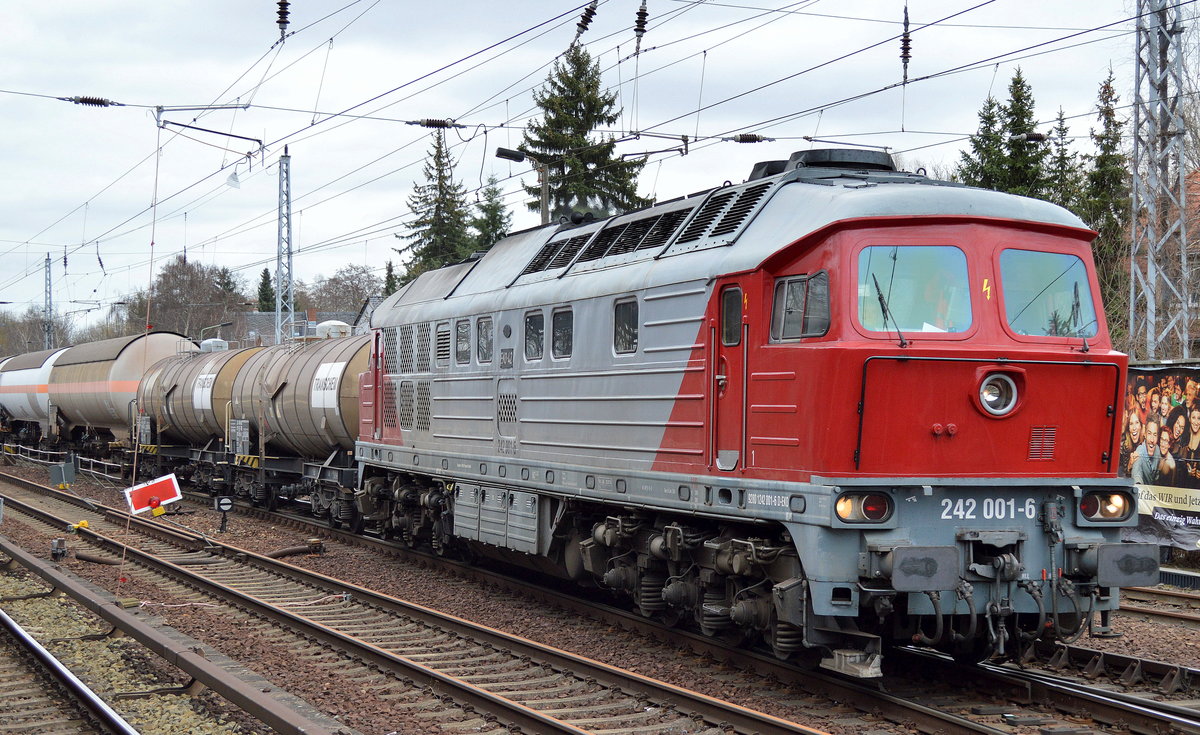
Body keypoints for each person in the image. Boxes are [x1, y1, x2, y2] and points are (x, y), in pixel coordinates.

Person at [1132, 417, 1160, 485]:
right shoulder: (1139, 452)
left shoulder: (1157, 450)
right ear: (1145, 434)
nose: (1152, 440)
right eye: (1149, 433)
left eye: (1155, 435)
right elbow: (1137, 475)